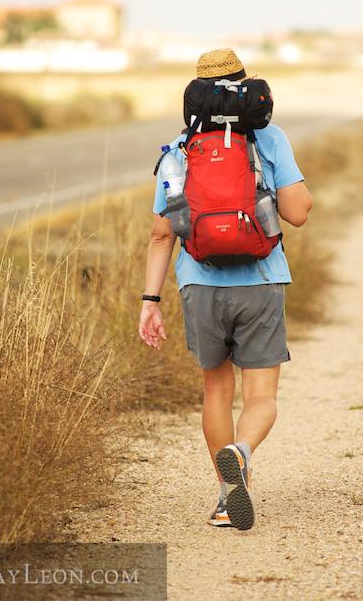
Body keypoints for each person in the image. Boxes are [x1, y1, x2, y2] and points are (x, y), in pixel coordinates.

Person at [138, 48, 313, 531]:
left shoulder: (177, 148)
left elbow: (160, 234)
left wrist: (149, 302)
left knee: (216, 390)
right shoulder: (269, 138)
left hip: (199, 282)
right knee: (261, 396)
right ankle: (243, 450)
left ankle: (224, 495)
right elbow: (298, 213)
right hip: (261, 280)